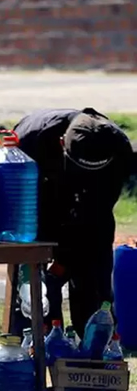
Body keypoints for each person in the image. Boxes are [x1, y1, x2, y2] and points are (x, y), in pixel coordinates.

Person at [13, 108, 133, 336]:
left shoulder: (118, 147)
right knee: (36, 282)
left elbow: (97, 212)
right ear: (61, 143)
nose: (83, 174)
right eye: (79, 168)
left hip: (93, 202)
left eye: (91, 171)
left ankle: (95, 341)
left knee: (94, 275)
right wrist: (51, 265)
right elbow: (23, 208)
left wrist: (67, 260)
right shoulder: (33, 139)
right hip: (39, 192)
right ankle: (34, 335)